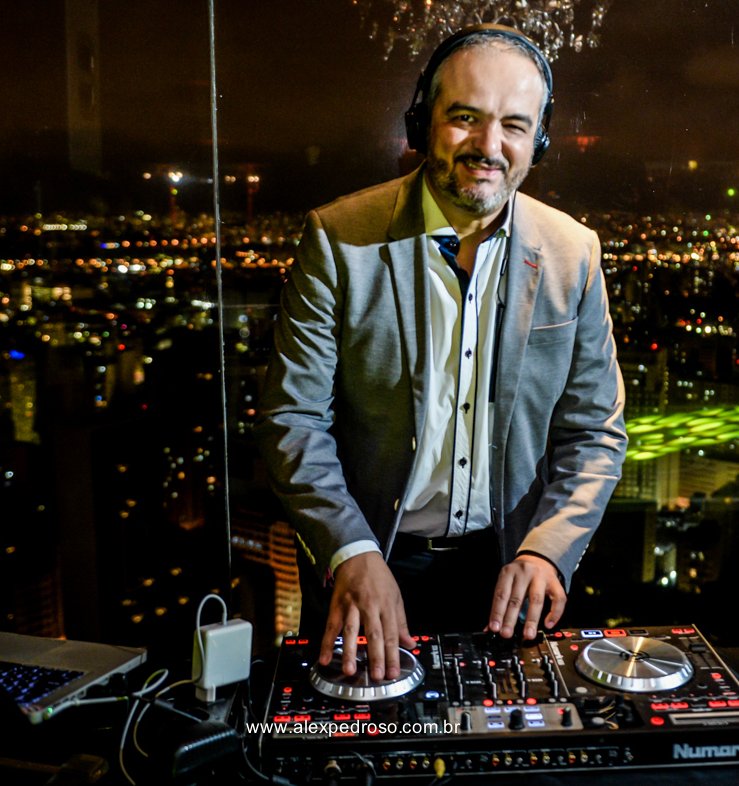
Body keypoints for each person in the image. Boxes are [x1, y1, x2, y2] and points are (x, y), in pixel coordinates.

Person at [255, 25, 626, 684]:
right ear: (421, 124)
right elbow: (294, 418)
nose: (489, 146)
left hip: (512, 571)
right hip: (371, 567)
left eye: (514, 126)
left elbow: (594, 431)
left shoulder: (574, 252)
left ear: (538, 142)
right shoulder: (337, 239)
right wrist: (350, 549)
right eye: (465, 118)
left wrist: (548, 551)